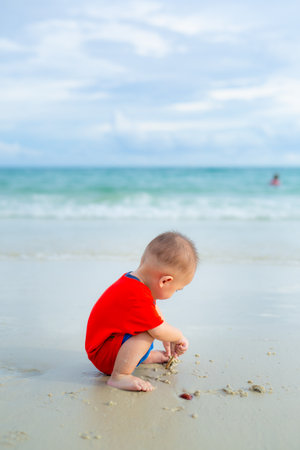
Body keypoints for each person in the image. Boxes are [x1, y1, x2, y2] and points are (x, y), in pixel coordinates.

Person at [85, 231, 198, 392]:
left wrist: (168, 337)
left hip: (108, 344)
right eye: (177, 290)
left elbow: (155, 315)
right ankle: (120, 375)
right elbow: (158, 330)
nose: (175, 293)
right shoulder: (137, 295)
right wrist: (178, 336)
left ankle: (144, 357)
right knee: (147, 332)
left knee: (149, 326)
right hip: (103, 355)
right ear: (165, 281)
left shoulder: (135, 282)